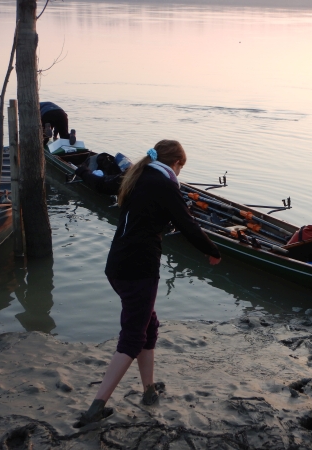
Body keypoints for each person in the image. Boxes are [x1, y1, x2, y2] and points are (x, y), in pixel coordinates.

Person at [74, 140, 221, 428]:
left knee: (148, 325)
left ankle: (149, 390)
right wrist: (212, 251)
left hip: (116, 265)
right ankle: (96, 407)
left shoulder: (137, 174)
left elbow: (102, 185)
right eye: (181, 167)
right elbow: (188, 224)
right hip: (139, 268)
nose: (179, 172)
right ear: (176, 164)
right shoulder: (165, 184)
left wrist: (82, 172)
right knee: (132, 337)